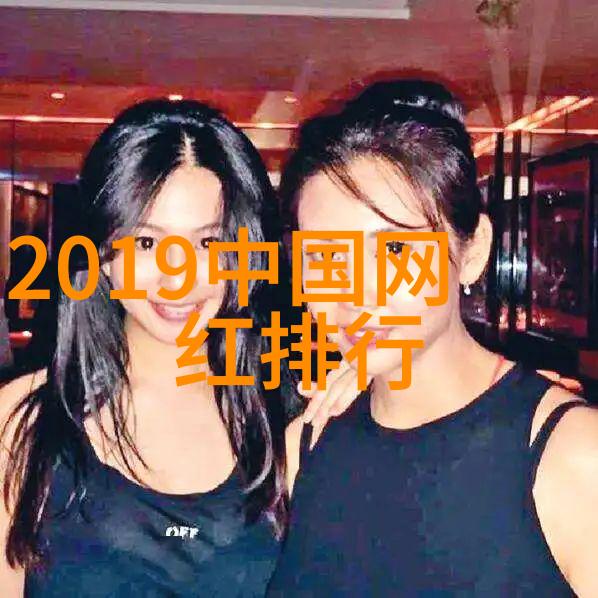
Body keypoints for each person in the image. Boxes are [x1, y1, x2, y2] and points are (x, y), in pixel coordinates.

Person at [268, 80, 598, 595]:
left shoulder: (572, 456)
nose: (355, 290)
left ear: (473, 251)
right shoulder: (306, 447)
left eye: (394, 250)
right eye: (325, 255)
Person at [0, 98, 292, 596]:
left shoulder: (291, 422)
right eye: (147, 243)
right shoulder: (23, 423)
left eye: (208, 244)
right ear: (102, 254)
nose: (178, 278)